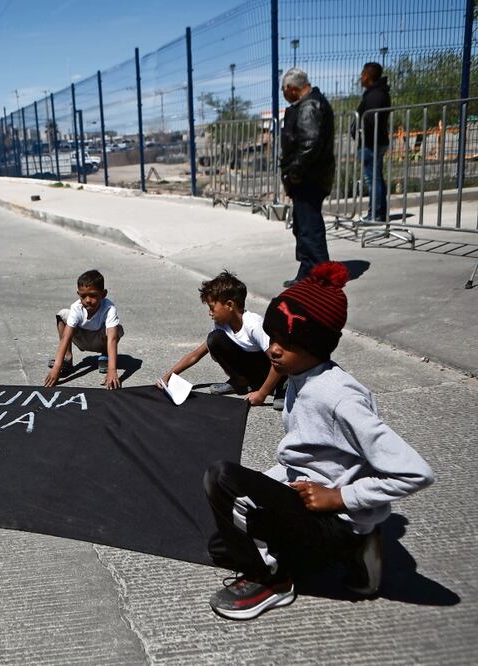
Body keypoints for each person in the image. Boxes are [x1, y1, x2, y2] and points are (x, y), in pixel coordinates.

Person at [203, 262, 434, 620]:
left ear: (316, 345)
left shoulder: (339, 397)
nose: (273, 350)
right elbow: (302, 457)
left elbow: (415, 472)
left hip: (332, 516)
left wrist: (340, 497)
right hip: (309, 503)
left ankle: (275, 581)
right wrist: (267, 486)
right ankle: (354, 551)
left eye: (287, 343)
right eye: (272, 339)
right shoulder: (301, 376)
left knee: (222, 479)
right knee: (221, 545)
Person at [159, 270, 284, 409]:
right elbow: (195, 355)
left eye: (212, 308)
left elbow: (279, 361)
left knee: (280, 376)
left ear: (229, 305)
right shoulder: (222, 325)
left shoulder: (253, 325)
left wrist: (262, 394)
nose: (210, 313)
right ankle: (241, 382)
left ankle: (281, 387)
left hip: (277, 370)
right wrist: (169, 376)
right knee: (214, 339)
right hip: (254, 372)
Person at [280, 67, 335, 287]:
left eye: (284, 90)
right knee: (303, 227)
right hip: (309, 176)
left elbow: (309, 144)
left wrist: (294, 171)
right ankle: (307, 273)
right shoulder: (309, 104)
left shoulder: (309, 106)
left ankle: (322, 278)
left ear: (291, 88)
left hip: (308, 178)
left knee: (310, 229)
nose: (284, 94)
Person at [45, 269, 124, 390]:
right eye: (83, 296)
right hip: (81, 339)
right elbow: (66, 337)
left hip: (101, 342)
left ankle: (106, 356)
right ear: (78, 294)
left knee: (116, 328)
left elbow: (112, 339)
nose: (87, 300)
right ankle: (68, 359)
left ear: (103, 294)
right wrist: (56, 367)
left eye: (93, 295)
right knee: (62, 314)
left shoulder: (109, 308)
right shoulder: (76, 307)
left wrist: (112, 370)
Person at [353, 62, 391, 222]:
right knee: (376, 178)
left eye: (362, 74)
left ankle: (375, 214)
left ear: (367, 76)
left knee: (372, 179)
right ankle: (379, 213)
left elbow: (370, 120)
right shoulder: (379, 93)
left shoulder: (374, 95)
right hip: (375, 141)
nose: (360, 78)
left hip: (371, 143)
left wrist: (360, 132)